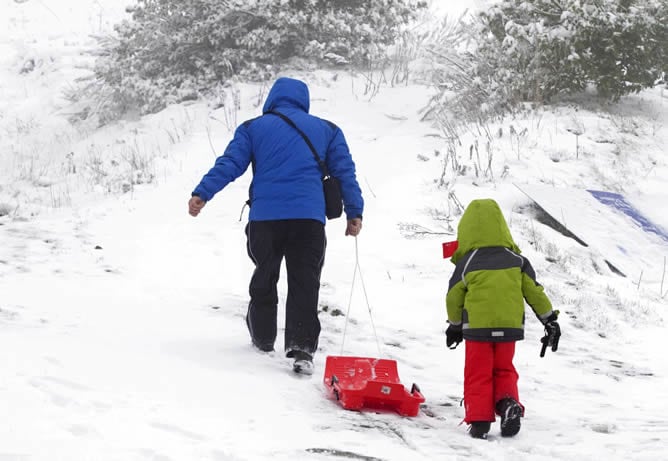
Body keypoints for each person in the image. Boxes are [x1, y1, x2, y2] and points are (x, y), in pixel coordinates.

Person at [188, 77, 364, 375]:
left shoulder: (253, 128)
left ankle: (262, 337)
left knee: (265, 273)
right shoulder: (327, 130)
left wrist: (202, 193)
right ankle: (302, 348)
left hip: (265, 219)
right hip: (308, 220)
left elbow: (229, 163)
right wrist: (354, 212)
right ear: (304, 100)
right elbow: (345, 173)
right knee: (304, 281)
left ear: (273, 98)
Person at [444, 198, 560, 439]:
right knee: (504, 369)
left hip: (477, 330)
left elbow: (453, 297)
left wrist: (455, 326)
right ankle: (508, 405)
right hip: (509, 329)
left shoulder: (467, 263)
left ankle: (479, 422)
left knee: (478, 373)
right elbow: (534, 292)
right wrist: (549, 320)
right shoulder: (517, 261)